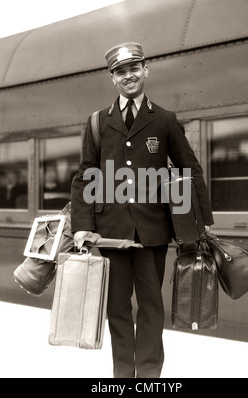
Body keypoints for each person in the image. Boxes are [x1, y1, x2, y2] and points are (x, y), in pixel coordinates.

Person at [71, 42, 214, 378]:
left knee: (151, 308)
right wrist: (81, 226)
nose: (128, 76)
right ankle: (123, 377)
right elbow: (85, 177)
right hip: (110, 234)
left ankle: (149, 377)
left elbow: (190, 170)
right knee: (117, 309)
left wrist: (200, 223)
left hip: (153, 232)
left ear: (145, 71)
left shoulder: (164, 119)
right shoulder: (96, 123)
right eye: (120, 72)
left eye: (134, 68)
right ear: (112, 79)